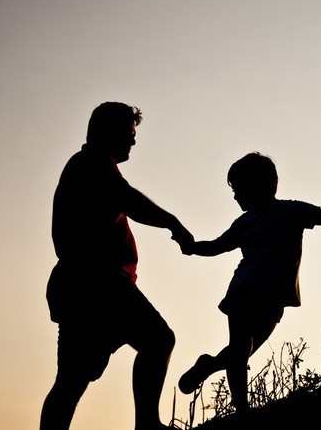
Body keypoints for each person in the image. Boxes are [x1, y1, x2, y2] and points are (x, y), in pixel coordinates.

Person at [175, 152, 321, 412]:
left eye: (239, 189)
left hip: (274, 297)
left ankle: (208, 365)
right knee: (241, 349)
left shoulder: (292, 211)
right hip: (244, 292)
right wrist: (192, 247)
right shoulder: (244, 223)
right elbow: (216, 247)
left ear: (269, 184)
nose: (235, 197)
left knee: (242, 351)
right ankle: (241, 408)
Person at [40, 101, 194, 430]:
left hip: (81, 284)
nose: (134, 142)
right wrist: (173, 223)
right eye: (130, 134)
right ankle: (148, 425)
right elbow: (130, 200)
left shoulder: (89, 166)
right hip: (98, 282)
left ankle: (146, 424)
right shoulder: (92, 163)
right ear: (109, 133)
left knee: (70, 383)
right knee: (158, 340)